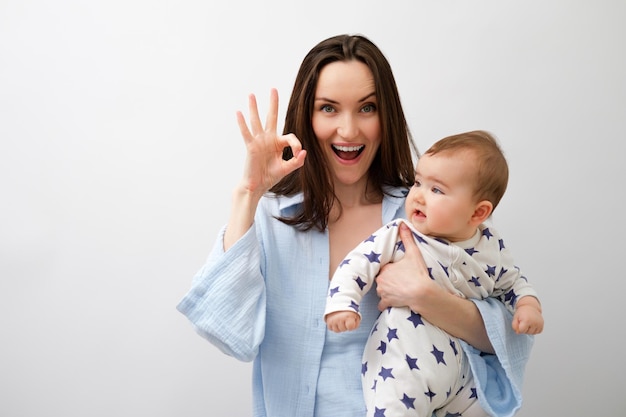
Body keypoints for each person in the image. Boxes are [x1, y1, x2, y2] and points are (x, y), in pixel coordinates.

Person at [176, 34, 534, 417]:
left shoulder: (424, 217)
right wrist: (248, 194)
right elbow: (229, 333)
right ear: (307, 117)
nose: (348, 131)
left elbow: (508, 337)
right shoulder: (271, 218)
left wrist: (426, 297)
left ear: (387, 116)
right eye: (328, 108)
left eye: (367, 108)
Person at [324, 130, 544, 416]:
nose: (418, 196)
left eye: (436, 190)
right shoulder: (401, 234)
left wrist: (528, 307)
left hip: (464, 369)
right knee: (393, 407)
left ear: (477, 213)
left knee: (489, 406)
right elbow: (356, 264)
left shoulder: (491, 247)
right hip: (404, 362)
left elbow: (514, 283)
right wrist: (343, 303)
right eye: (418, 182)